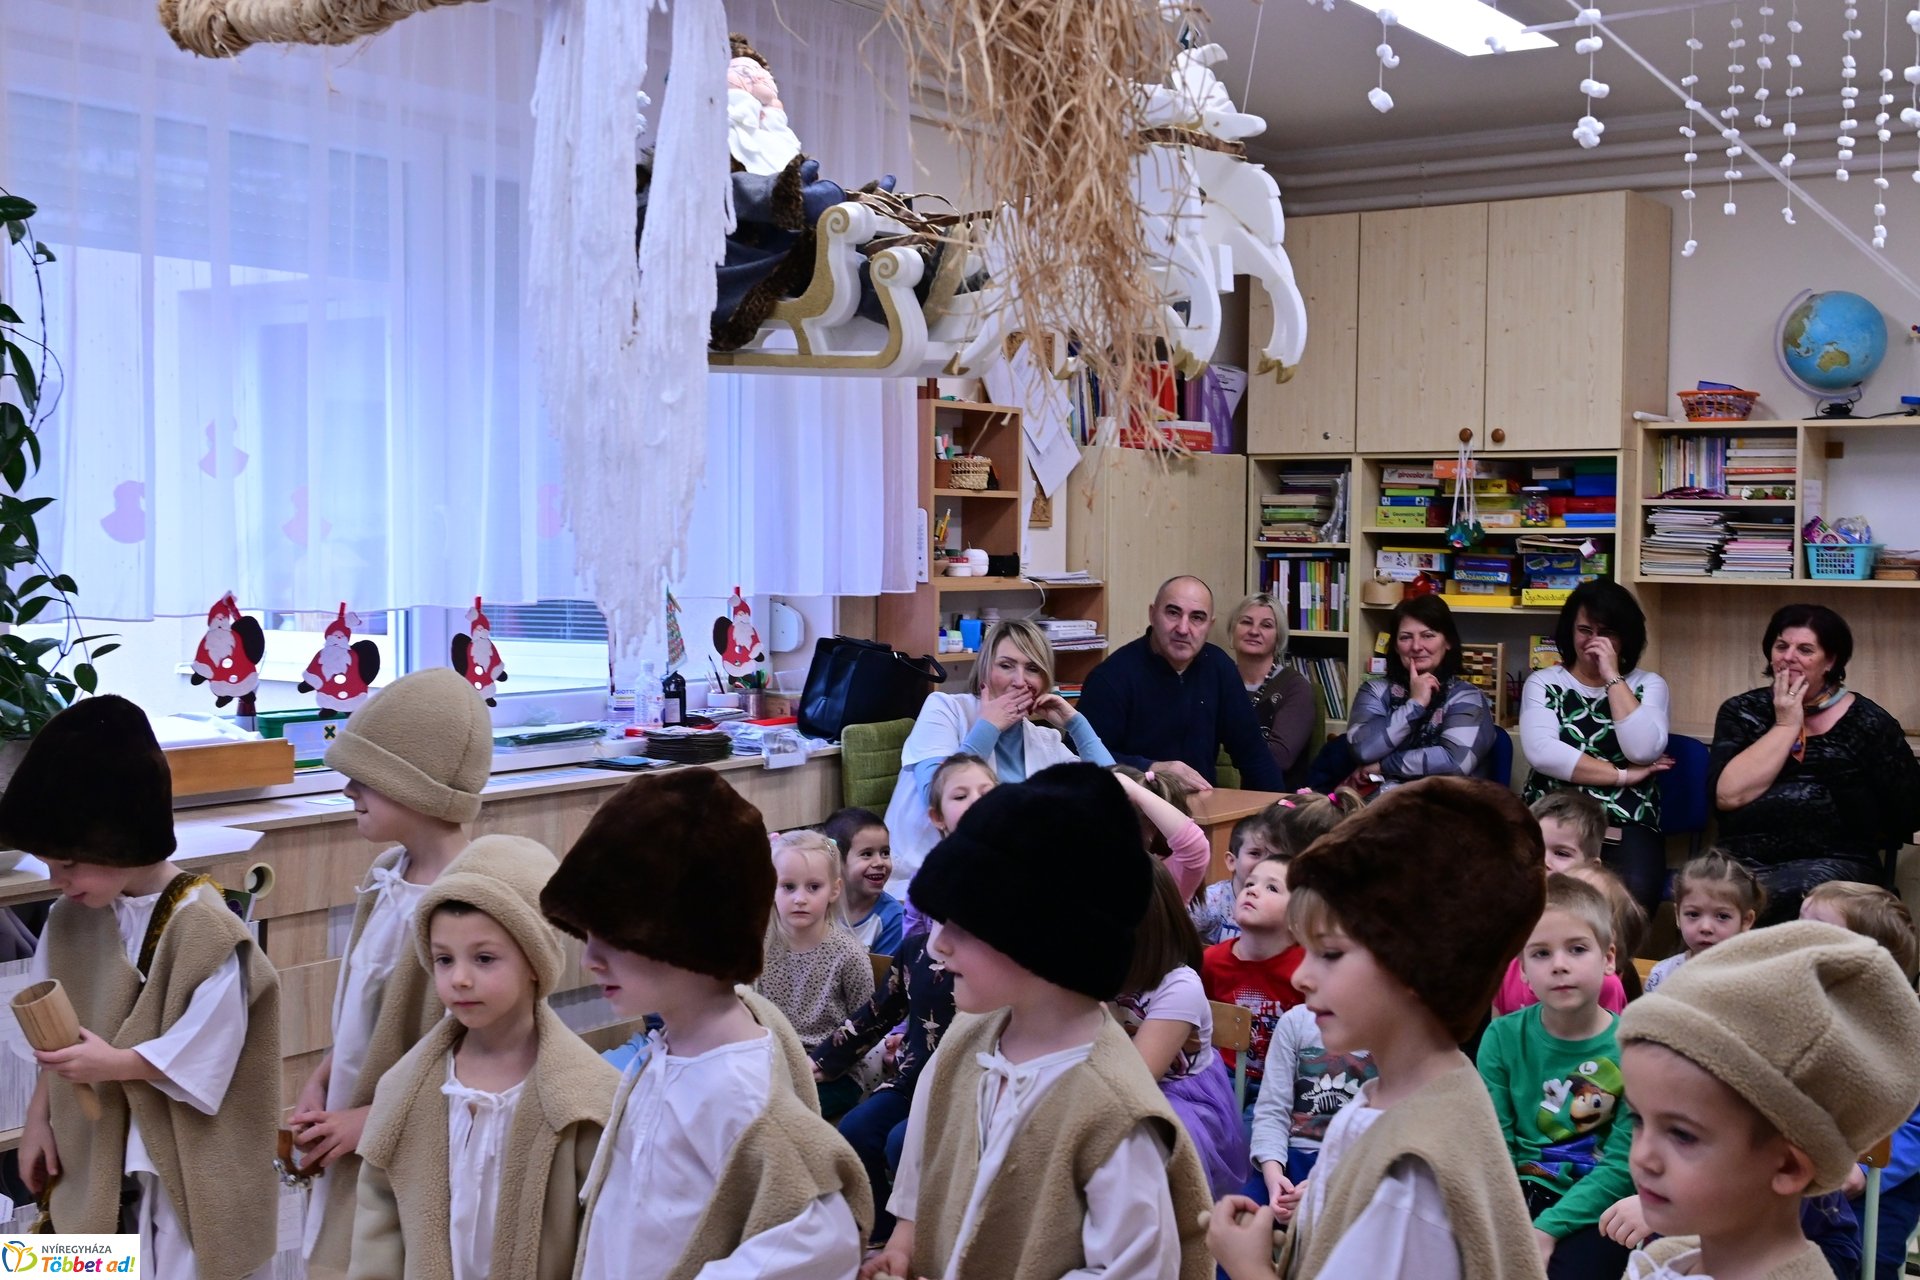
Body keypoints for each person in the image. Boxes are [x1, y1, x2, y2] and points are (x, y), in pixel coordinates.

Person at [863, 763, 1213, 1280]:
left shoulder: (1113, 1112)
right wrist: (904, 1244)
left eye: (963, 926)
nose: (937, 944)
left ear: (1041, 941)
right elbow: (925, 1159)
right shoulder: (966, 1040)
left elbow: (1133, 1269)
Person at [1207, 777, 1548, 1280]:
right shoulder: (1388, 1100)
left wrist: (1248, 1267)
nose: (1301, 976)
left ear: (1413, 964)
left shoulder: (1411, 1174)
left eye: (1330, 953)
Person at [543, 769, 871, 1278]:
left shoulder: (739, 1088)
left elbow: (825, 1239)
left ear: (690, 937)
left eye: (614, 936)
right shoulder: (667, 1055)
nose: (590, 960)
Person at [0, 697, 281, 1280]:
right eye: (49, 864)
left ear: (120, 841)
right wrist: (38, 1122)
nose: (58, 880)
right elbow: (55, 1042)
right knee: (58, 1259)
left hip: (177, 1172)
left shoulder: (207, 928)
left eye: (69, 864)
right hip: (94, 1155)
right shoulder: (69, 920)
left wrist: (116, 1063)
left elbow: (210, 1051)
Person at [291, 667, 496, 1272]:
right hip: (357, 1126)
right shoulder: (387, 873)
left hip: (417, 1156)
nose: (348, 789)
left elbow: (476, 1060)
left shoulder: (470, 901)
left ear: (419, 787)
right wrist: (326, 1075)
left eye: (367, 778)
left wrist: (372, 1120)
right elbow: (366, 1012)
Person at [349, 835, 618, 1280]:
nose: (460, 978)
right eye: (444, 959)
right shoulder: (405, 1090)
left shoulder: (587, 1102)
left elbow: (604, 1242)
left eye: (485, 958)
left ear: (534, 962)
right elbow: (377, 1229)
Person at [1611, 922, 1920, 1280]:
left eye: (1682, 1135)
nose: (1642, 1156)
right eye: (1638, 1119)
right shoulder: (1665, 1257)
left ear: (1787, 1167)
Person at [1709, 603, 1920, 923]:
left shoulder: (1868, 722)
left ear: (1830, 661)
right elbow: (1728, 796)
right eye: (1782, 646)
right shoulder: (1742, 712)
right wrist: (1786, 724)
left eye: (1805, 649)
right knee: (1713, 892)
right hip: (1744, 860)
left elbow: (1908, 812)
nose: (1789, 657)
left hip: (1837, 861)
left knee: (1799, 894)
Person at [883, 618, 1115, 896]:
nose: (1019, 681)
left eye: (1032, 669)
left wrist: (1076, 724)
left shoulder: (1044, 740)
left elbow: (1115, 795)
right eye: (1006, 665)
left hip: (1006, 886)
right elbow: (937, 797)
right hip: (924, 884)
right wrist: (988, 727)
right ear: (985, 670)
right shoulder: (945, 709)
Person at [1479, 874, 1635, 1280]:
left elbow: (1622, 1165)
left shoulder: (1635, 1048)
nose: (1559, 964)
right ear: (1522, 971)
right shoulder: (1501, 1038)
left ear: (1609, 959)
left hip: (1593, 1204)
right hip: (1513, 1194)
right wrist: (1514, 1223)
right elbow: (1495, 1144)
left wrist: (1547, 1229)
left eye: (1577, 949)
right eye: (1541, 953)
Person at [1520, 582, 1676, 913]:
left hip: (1626, 818)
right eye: (1585, 630)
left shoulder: (1648, 685)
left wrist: (1612, 676)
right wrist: (1622, 776)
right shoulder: (1545, 682)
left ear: (1625, 637)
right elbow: (1542, 752)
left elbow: (1643, 751)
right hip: (1555, 814)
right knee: (1530, 895)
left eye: (1606, 633)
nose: (1594, 642)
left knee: (1630, 903)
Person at [1801, 883, 1920, 1280]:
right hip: (1800, 1173)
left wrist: (1864, 1172)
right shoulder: (1791, 1009)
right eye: (1798, 924)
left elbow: (1916, 1127)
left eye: (1817, 932)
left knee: (1868, 1260)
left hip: (1880, 1186)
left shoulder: (1906, 1031)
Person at [1115, 859, 1251, 1197]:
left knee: (1142, 1146)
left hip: (1182, 1099)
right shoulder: (1103, 971)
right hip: (1120, 1085)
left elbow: (1135, 1079)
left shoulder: (1179, 985)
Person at [1078, 575, 1286, 793]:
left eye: (1197, 618)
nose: (1183, 628)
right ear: (1152, 614)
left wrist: (1282, 808)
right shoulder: (1112, 677)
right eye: (1173, 613)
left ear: (1210, 625)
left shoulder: (1219, 668)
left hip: (1203, 806)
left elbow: (1253, 754)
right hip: (1130, 804)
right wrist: (1151, 768)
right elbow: (1079, 759)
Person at [755, 830, 875, 1118]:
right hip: (771, 1068)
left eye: (813, 887)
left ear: (834, 890)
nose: (800, 898)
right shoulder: (759, 948)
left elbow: (868, 1024)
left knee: (782, 1113)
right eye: (788, 887)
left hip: (834, 1074)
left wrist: (828, 1063)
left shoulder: (848, 954)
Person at [1493, 793, 1631, 1017]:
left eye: (1561, 853)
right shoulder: (1505, 949)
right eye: (1534, 849)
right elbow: (1497, 1028)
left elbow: (1609, 1036)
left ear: (1591, 867)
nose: (1544, 861)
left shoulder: (1603, 978)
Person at [1346, 596, 1497, 788]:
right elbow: (1363, 750)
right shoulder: (1376, 690)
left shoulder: (1467, 697)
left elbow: (1454, 763)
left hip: (1446, 801)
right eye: (1405, 637)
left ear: (1448, 642)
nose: (1416, 646)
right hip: (1379, 800)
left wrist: (1383, 766)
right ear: (1395, 646)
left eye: (1428, 635)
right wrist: (1415, 704)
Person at [1249, 997, 1378, 1204]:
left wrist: (1323, 1185)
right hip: (1290, 1159)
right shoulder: (1295, 1021)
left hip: (1355, 1171)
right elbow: (1271, 1111)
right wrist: (1274, 1177)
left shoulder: (1391, 1032)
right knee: (1244, 1216)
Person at [1227, 591, 1320, 786]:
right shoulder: (1219, 679)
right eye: (1246, 622)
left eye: (1266, 625)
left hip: (1273, 797)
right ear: (1232, 630)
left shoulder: (1295, 687)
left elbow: (1279, 758)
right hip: (1213, 791)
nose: (1254, 631)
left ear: (1279, 638)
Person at [1643, 851, 1763, 994]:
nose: (1706, 927)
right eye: (1693, 914)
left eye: (1722, 916)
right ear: (1678, 915)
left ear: (1745, 921)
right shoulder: (1663, 975)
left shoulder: (1753, 980)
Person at [822, 808, 903, 955]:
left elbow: (881, 968)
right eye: (867, 854)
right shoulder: (819, 906)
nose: (879, 862)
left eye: (885, 853)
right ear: (836, 859)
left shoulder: (893, 918)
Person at [1192, 813, 1271, 945]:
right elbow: (1174, 934)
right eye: (1255, 853)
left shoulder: (1281, 903)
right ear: (1231, 861)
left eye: (1273, 856)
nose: (1265, 863)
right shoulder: (1211, 901)